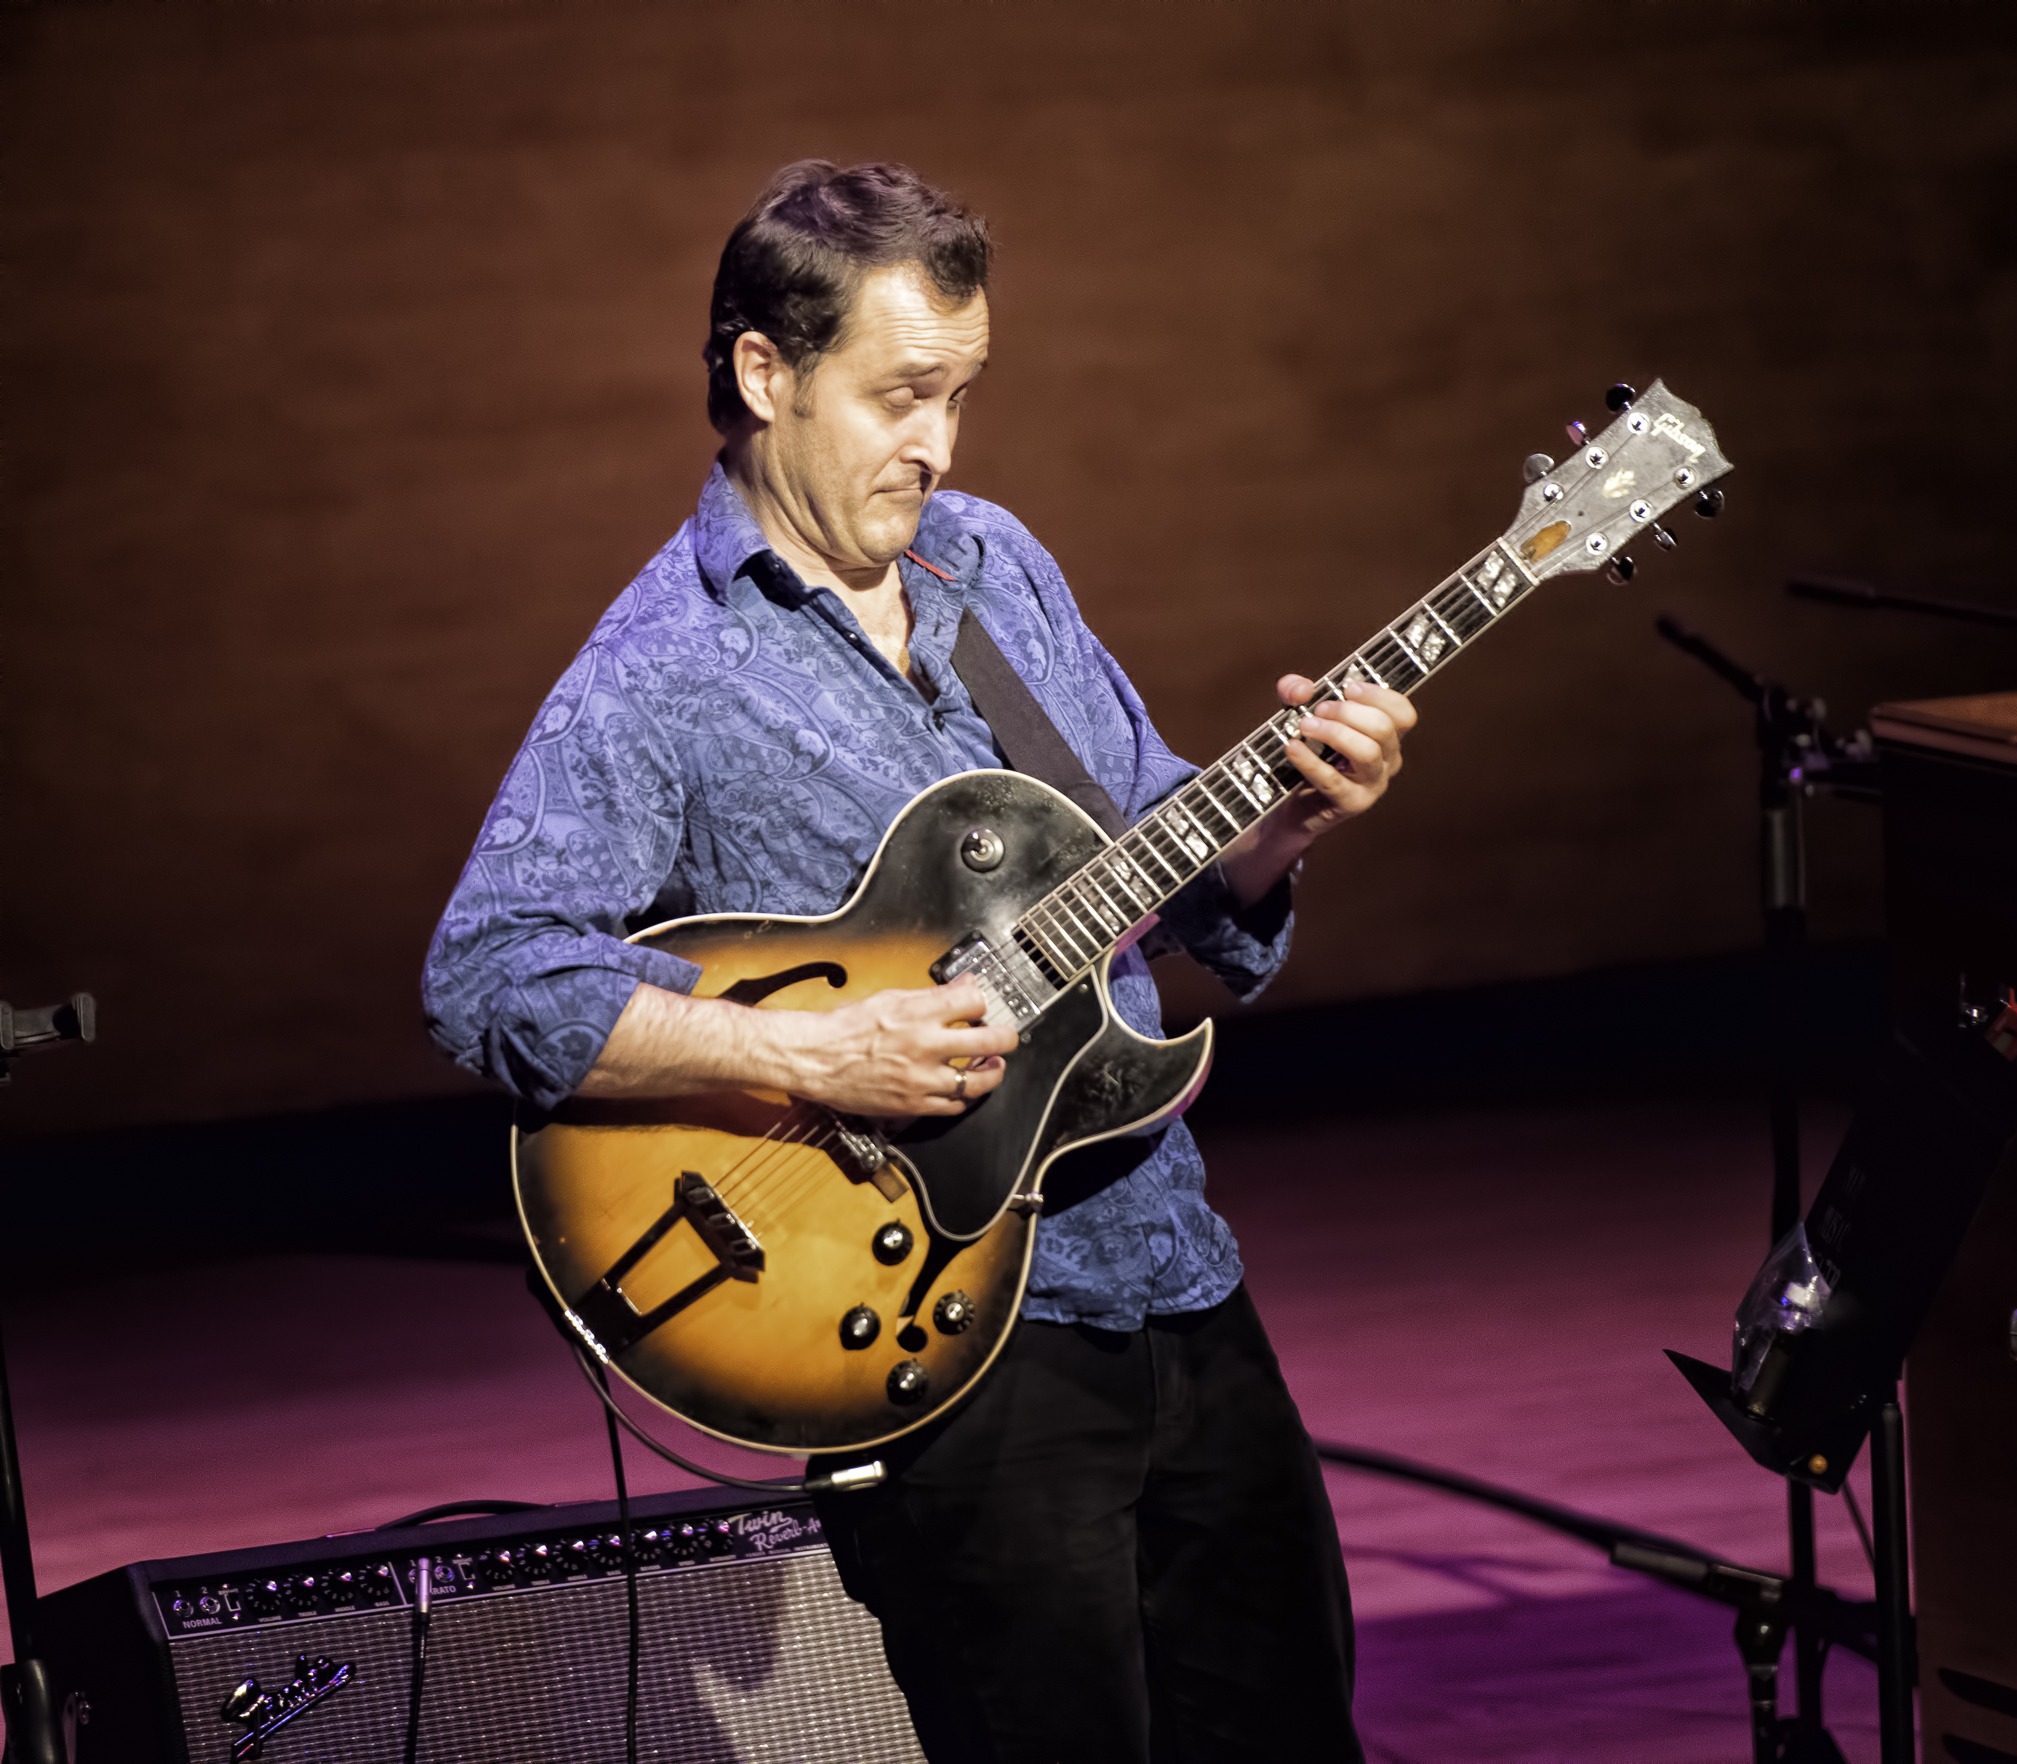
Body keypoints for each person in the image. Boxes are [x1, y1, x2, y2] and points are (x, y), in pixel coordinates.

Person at [423, 159, 1416, 1763]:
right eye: (899, 395)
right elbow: (490, 978)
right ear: (765, 374)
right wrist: (813, 1058)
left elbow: (1152, 835)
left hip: (1172, 1272)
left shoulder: (994, 562)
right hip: (936, 1343)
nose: (936, 444)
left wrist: (1289, 820)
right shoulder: (662, 675)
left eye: (959, 394)